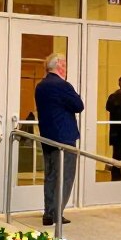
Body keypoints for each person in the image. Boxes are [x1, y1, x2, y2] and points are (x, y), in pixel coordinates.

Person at [34, 53, 84, 226]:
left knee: (51, 175)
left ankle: (48, 213)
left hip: (47, 136)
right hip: (64, 137)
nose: (66, 69)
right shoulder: (62, 85)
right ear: (59, 66)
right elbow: (79, 106)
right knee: (65, 177)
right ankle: (57, 213)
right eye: (64, 65)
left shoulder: (40, 86)